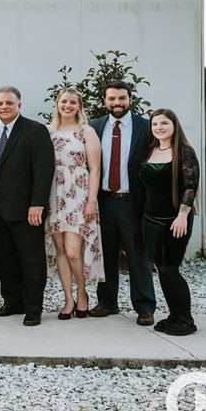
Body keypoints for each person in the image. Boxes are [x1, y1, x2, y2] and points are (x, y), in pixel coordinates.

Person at [0, 86, 54, 326]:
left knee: (31, 258)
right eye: (0, 103)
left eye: (9, 103)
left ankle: (33, 308)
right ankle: (13, 302)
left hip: (26, 207)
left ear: (19, 105)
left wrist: (37, 204)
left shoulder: (35, 131)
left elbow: (44, 171)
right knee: (4, 257)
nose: (4, 107)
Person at [88, 80, 157, 326]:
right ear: (104, 101)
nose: (116, 103)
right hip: (103, 200)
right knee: (105, 255)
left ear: (130, 99)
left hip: (132, 201)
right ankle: (107, 302)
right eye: (112, 99)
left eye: (121, 98)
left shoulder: (145, 127)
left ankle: (145, 307)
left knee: (138, 255)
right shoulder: (94, 127)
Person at [44, 88, 105, 320]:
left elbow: (95, 169)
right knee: (59, 249)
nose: (67, 105)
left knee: (73, 251)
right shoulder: (48, 131)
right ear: (57, 104)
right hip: (53, 194)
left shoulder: (85, 131)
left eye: (72, 102)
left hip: (78, 194)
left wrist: (91, 201)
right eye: (63, 101)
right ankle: (68, 298)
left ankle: (82, 293)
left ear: (79, 106)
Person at [141, 109, 200, 336]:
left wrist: (183, 215)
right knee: (162, 270)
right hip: (150, 220)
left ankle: (185, 318)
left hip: (175, 220)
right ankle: (174, 315)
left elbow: (190, 186)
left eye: (164, 123)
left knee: (170, 268)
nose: (159, 128)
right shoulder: (149, 151)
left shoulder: (184, 152)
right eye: (155, 124)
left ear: (174, 125)